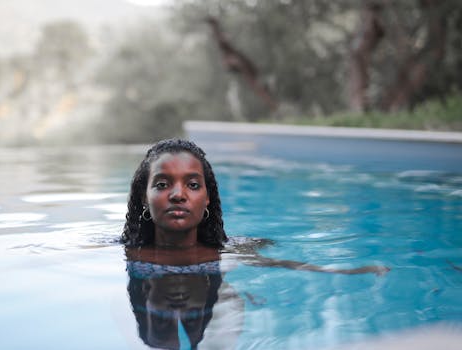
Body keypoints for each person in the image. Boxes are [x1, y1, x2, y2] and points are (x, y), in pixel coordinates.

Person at [121, 138, 389, 348]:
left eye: (192, 184)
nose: (178, 194)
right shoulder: (129, 251)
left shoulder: (226, 251)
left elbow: (283, 264)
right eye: (162, 184)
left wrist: (348, 271)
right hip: (150, 310)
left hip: (215, 305)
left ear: (207, 198)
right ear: (144, 197)